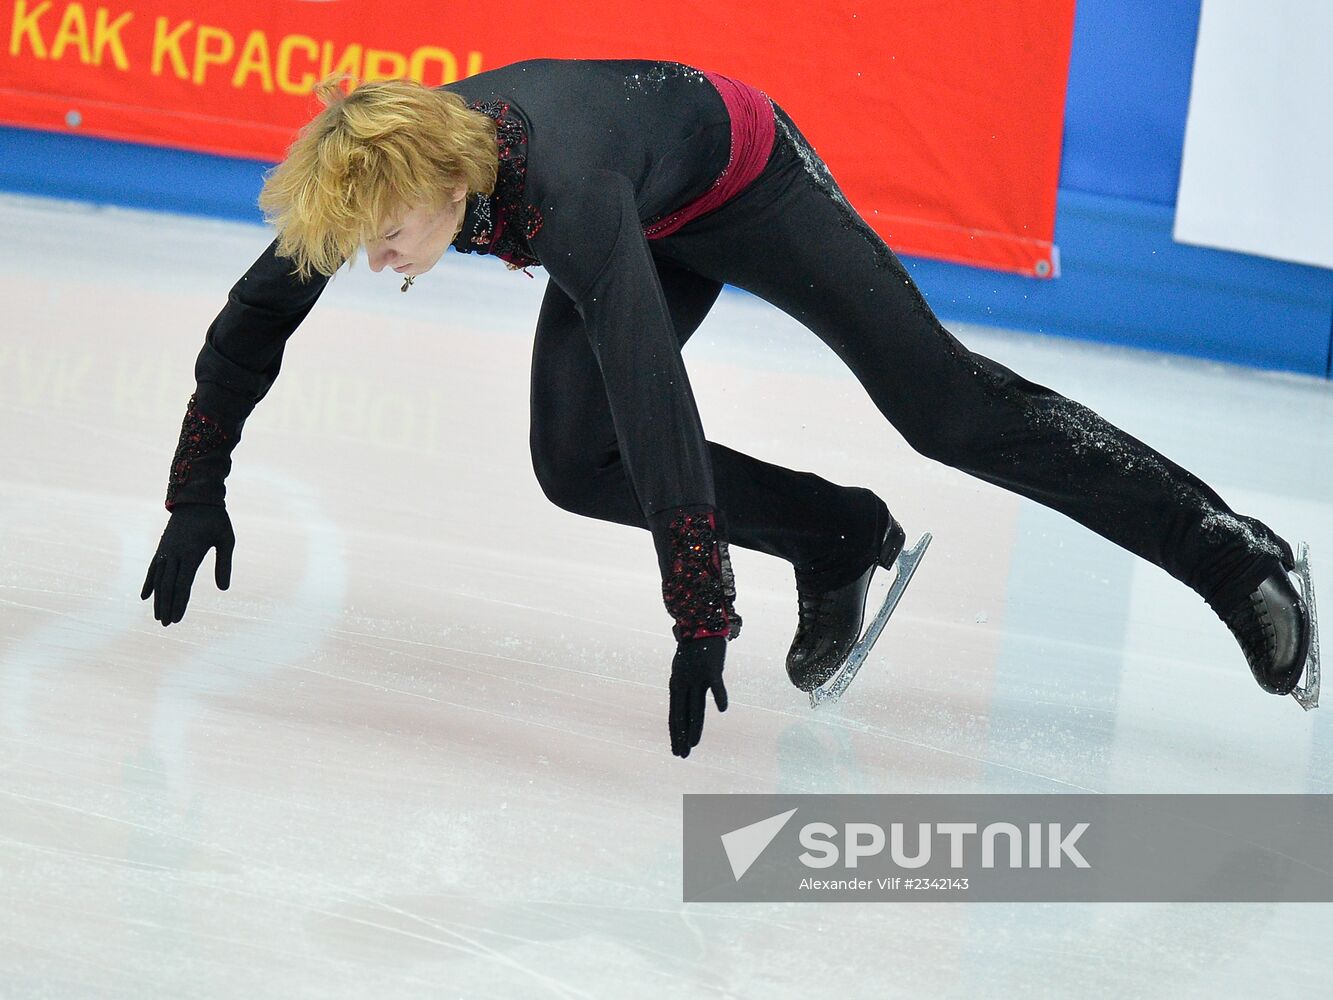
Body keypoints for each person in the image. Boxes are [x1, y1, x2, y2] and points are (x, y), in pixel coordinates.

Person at [140, 58, 1316, 759]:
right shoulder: (375, 167)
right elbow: (254, 320)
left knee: (942, 406)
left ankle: (1226, 551)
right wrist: (197, 489)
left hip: (744, 181)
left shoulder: (565, 193)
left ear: (450, 184)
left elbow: (653, 389)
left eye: (389, 240)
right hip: (641, 209)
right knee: (574, 461)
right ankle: (836, 536)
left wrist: (699, 610)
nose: (376, 261)